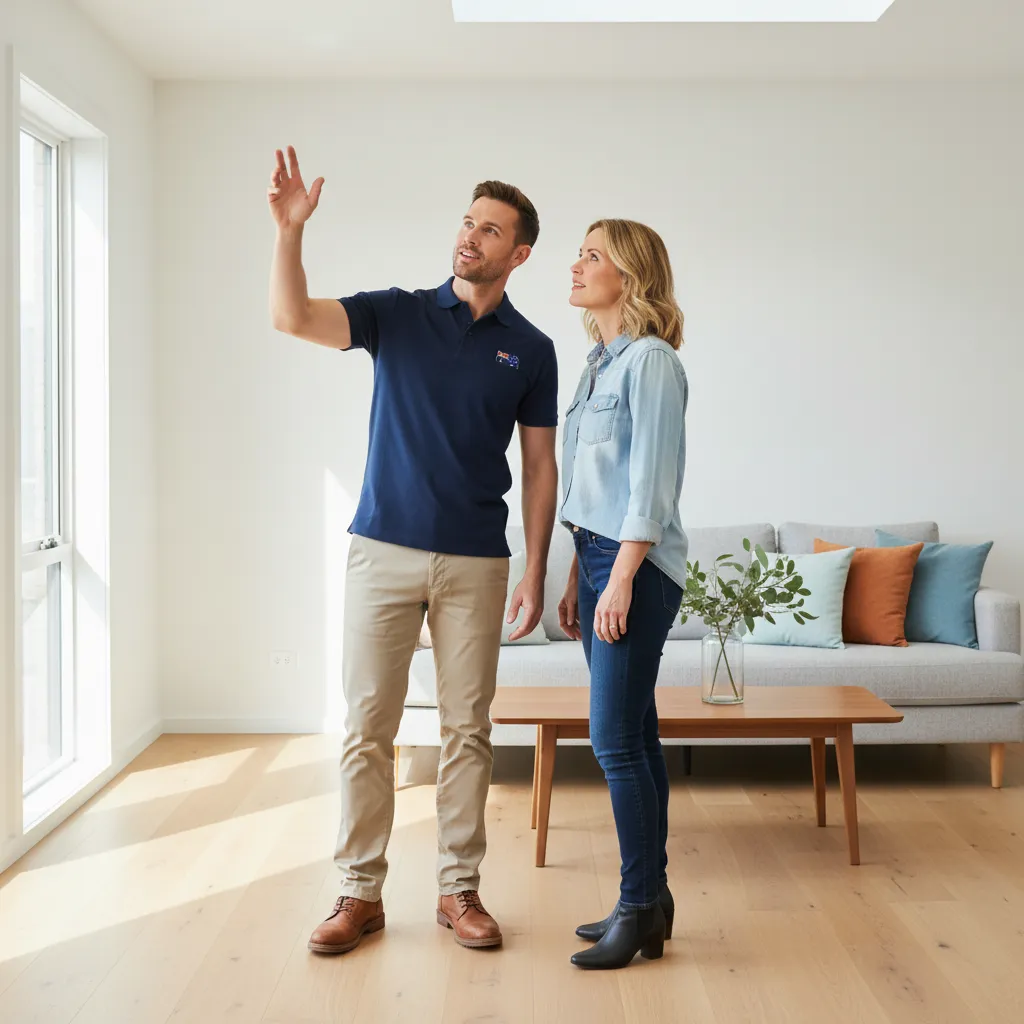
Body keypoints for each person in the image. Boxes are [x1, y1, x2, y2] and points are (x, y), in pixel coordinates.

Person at [267, 147, 558, 954]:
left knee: (468, 731)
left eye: (490, 231)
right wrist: (290, 233)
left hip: (476, 562)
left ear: (519, 253)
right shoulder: (396, 313)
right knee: (369, 725)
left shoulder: (531, 349)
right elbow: (292, 319)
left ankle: (457, 891)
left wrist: (535, 566)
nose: (470, 238)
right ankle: (358, 893)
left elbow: (540, 467)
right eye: (468, 222)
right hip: (382, 550)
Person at [556, 219, 688, 970]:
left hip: (635, 566)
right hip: (599, 559)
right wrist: (581, 572)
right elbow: (591, 491)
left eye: (592, 254)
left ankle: (638, 908)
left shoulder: (652, 364)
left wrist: (624, 576)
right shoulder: (598, 366)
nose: (577, 265)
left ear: (630, 274)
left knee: (612, 740)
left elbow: (652, 486)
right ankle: (650, 901)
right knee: (635, 736)